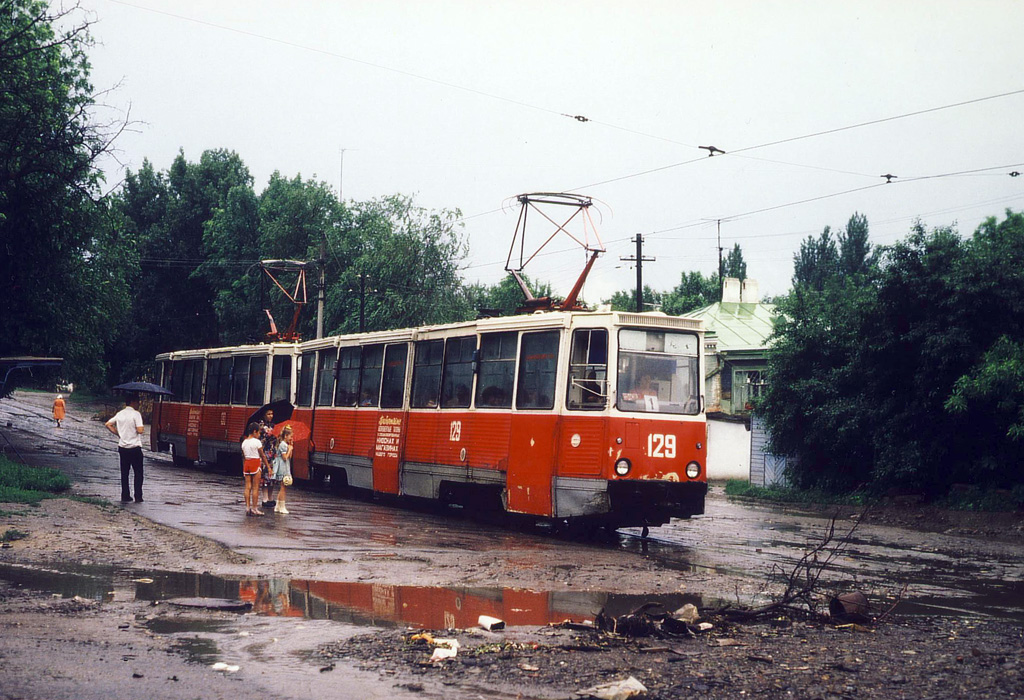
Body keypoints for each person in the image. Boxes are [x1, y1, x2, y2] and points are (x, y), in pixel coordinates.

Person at [105, 394, 145, 502]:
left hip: (123, 447)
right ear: (132, 402)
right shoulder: (136, 414)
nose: (139, 404)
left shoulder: (120, 414)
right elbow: (140, 430)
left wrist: (119, 434)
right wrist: (140, 427)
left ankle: (125, 495)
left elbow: (108, 424)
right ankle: (138, 496)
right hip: (134, 447)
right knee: (138, 473)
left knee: (124, 473)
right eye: (138, 401)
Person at [241, 422, 271, 516]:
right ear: (254, 431)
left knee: (247, 487)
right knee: (255, 487)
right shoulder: (257, 442)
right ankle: (254, 508)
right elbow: (262, 455)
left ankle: (247, 507)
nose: (259, 435)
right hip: (255, 463)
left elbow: (243, 456)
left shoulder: (244, 442)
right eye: (258, 433)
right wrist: (268, 467)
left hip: (247, 463)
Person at [271, 425, 294, 514]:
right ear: (285, 436)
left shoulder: (286, 445)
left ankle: (278, 506)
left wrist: (290, 447)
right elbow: (285, 457)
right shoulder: (282, 445)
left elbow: (290, 457)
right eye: (290, 436)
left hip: (285, 466)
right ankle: (282, 506)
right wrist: (289, 450)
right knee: (283, 487)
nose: (291, 438)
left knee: (283, 487)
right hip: (282, 467)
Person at [258, 408, 278, 507]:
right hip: (265, 453)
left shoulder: (274, 425)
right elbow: (262, 440)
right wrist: (269, 434)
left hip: (273, 453)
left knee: (272, 477)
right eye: (269, 414)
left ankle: (270, 497)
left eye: (272, 414)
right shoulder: (261, 426)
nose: (271, 416)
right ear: (264, 415)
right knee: (265, 476)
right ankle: (265, 498)